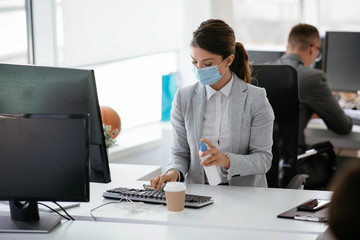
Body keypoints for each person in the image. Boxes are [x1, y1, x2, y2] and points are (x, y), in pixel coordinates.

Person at [150, 19, 274, 189]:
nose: (199, 69)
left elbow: (263, 159)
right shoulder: (183, 98)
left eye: (208, 64)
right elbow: (180, 153)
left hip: (244, 196)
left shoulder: (255, 99)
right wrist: (173, 173)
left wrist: (225, 160)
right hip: (199, 194)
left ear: (229, 60)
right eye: (195, 62)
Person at [274, 23, 353, 154]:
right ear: (313, 50)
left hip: (260, 165)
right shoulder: (312, 78)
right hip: (292, 165)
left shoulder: (260, 71)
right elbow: (343, 126)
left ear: (287, 48)